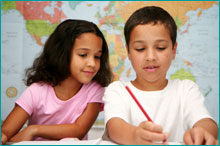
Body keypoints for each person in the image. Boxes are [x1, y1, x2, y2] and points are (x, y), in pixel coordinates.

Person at [103, 6, 219, 145]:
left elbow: (205, 121)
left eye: (160, 48)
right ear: (128, 52)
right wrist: (135, 136)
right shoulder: (118, 90)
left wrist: (202, 131)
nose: (150, 57)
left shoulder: (186, 89)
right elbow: (114, 127)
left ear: (173, 50)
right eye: (140, 49)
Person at [1, 19, 112, 144]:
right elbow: (5, 133)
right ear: (61, 54)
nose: (92, 63)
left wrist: (33, 130)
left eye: (97, 57)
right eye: (83, 54)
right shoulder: (36, 91)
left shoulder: (95, 90)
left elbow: (79, 130)